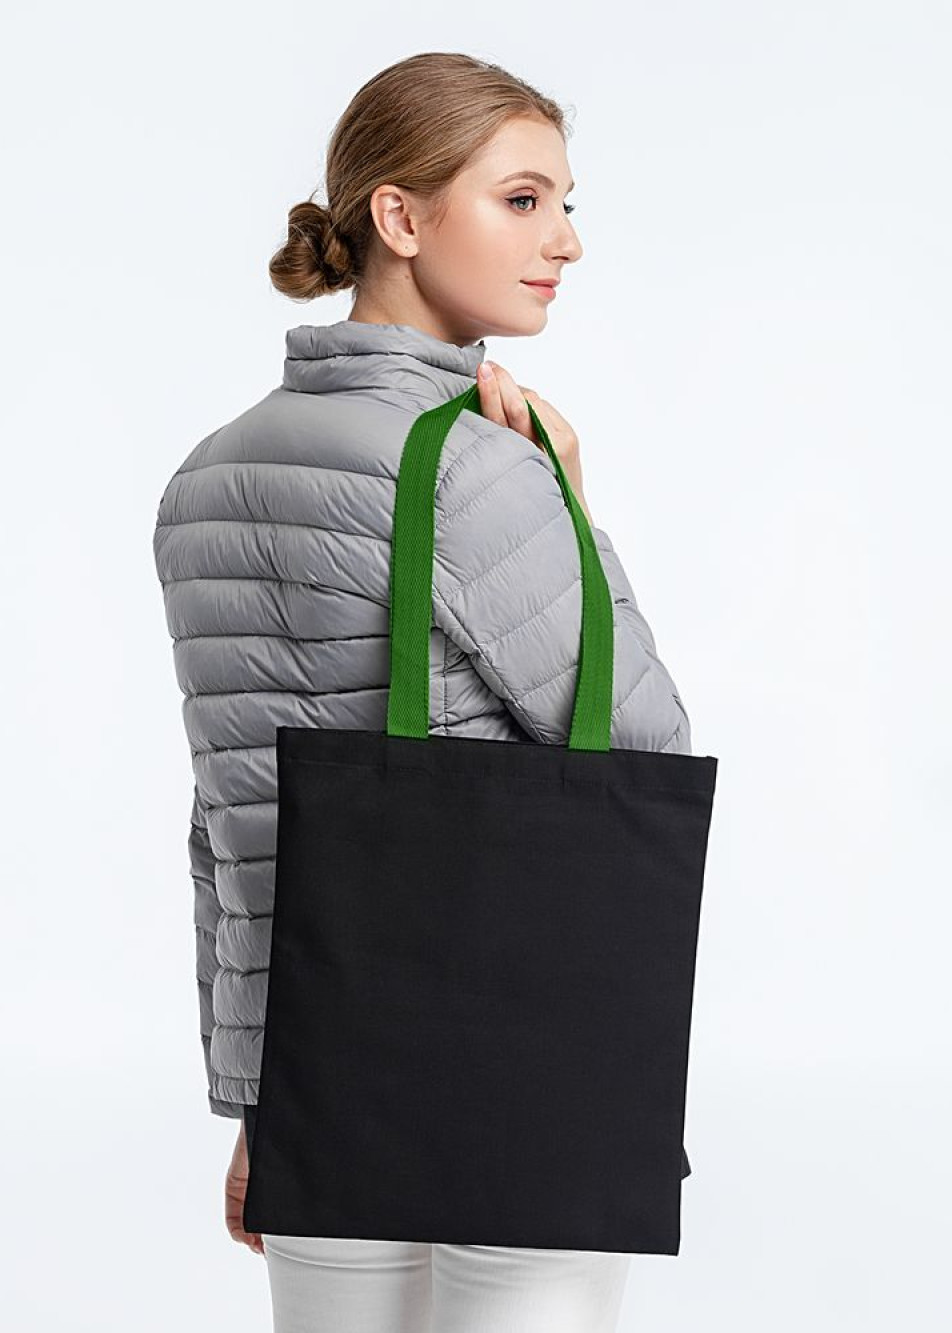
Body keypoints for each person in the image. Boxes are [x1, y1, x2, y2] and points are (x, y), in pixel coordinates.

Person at [153, 50, 693, 1333]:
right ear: (398, 216)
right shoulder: (476, 466)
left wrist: (257, 1108)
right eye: (522, 199)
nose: (565, 240)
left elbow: (230, 831)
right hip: (513, 1071)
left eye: (565, 203)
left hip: (317, 1084)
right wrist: (567, 503)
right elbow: (643, 748)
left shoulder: (204, 478)